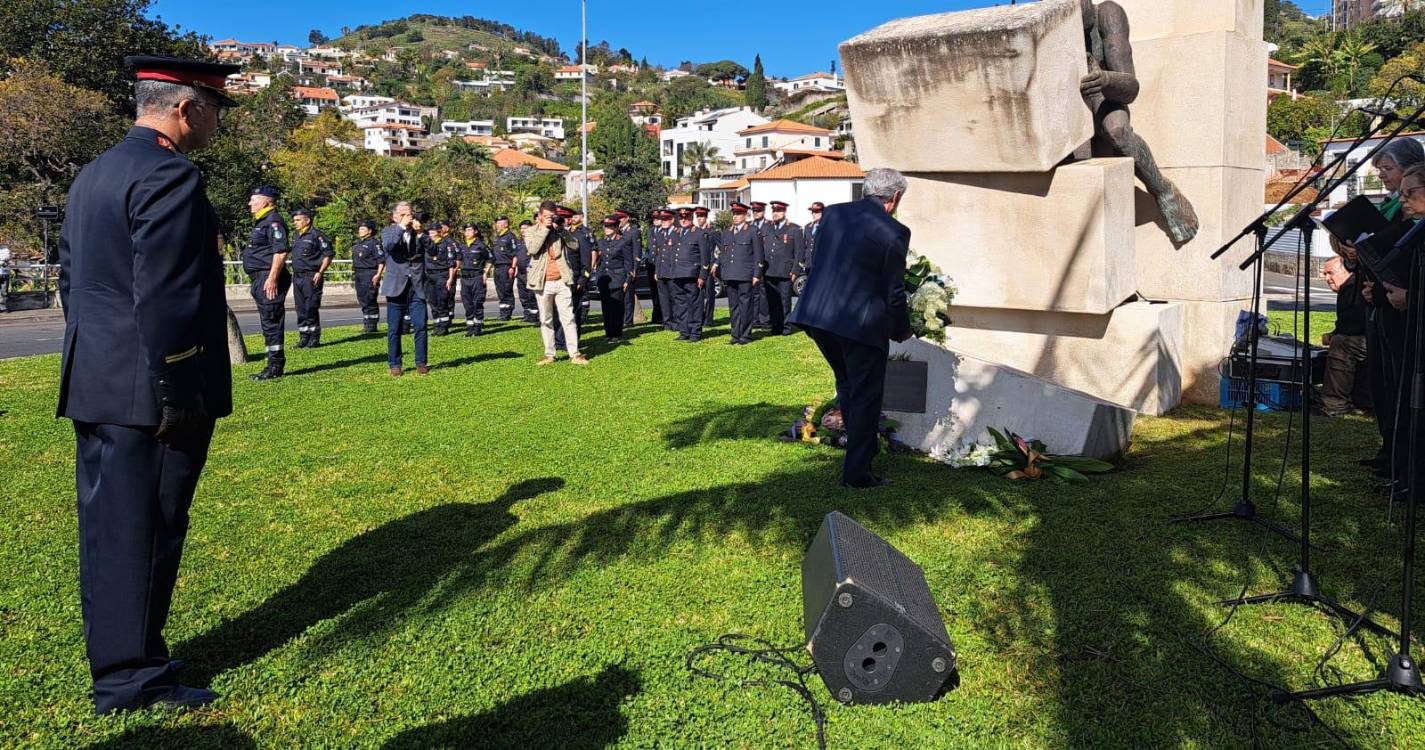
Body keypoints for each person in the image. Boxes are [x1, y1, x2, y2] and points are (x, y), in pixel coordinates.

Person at [57, 55, 238, 714]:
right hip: (153, 391)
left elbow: (72, 282)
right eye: (216, 109)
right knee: (149, 529)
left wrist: (100, 358)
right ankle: (130, 679)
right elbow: (168, 296)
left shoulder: (94, 174)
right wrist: (179, 388)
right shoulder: (169, 177)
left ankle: (125, 659)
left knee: (110, 530)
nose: (218, 123)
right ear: (185, 108)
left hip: (98, 378)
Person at [788, 168, 912, 488]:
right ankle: (858, 473)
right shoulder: (895, 231)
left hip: (819, 316)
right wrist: (901, 329)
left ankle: (861, 446)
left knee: (847, 384)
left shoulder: (833, 215)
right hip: (859, 324)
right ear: (894, 197)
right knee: (866, 395)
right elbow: (894, 291)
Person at [1360, 140, 1422, 484]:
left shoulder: (1413, 224)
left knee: (1406, 392)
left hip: (1407, 317)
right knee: (1385, 385)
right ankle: (1396, 460)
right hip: (1385, 304)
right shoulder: (1400, 214)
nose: (1403, 200)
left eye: (1388, 170)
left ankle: (1409, 471)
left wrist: (1407, 297)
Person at [524, 201, 589, 365]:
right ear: (539, 216)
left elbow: (575, 246)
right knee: (546, 319)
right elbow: (532, 249)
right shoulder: (531, 231)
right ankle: (549, 354)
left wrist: (561, 230)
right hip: (542, 282)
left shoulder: (559, 230)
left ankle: (574, 354)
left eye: (551, 216)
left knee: (568, 318)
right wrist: (545, 229)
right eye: (546, 216)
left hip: (562, 280)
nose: (549, 219)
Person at [241, 185, 290, 380]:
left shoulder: (273, 221)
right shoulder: (262, 222)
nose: (250, 203)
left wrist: (271, 279)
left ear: (266, 201)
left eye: (254, 199)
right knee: (268, 320)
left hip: (267, 278)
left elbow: (281, 251)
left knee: (271, 321)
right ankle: (272, 363)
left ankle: (275, 367)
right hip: (261, 277)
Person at [380, 202, 429, 376]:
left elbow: (433, 249)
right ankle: (395, 364)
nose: (408, 217)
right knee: (394, 328)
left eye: (409, 214)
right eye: (403, 214)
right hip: (396, 286)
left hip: (417, 285)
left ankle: (421, 362)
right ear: (395, 217)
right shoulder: (388, 232)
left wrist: (421, 232)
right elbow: (390, 246)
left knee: (420, 325)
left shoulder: (419, 233)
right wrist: (401, 226)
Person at [1320, 255, 1372, 417]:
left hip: (1372, 338)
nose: (1327, 278)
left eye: (1330, 273)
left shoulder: (1353, 286)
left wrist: (1337, 335)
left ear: (1346, 270)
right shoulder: (1349, 287)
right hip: (1368, 337)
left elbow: (1356, 322)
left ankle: (1334, 404)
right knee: (1340, 340)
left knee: (1341, 344)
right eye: (1324, 274)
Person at [715, 202, 763, 345]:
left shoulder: (753, 231)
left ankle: (745, 335)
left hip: (745, 275)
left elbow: (759, 255)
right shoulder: (727, 232)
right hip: (730, 274)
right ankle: (735, 334)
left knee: (746, 306)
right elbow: (724, 253)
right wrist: (720, 268)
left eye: (739, 214)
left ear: (745, 215)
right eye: (734, 214)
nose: (735, 217)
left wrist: (757, 274)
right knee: (733, 306)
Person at [288, 207, 335, 349]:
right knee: (300, 308)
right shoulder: (296, 235)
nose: (295, 223)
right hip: (297, 277)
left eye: (298, 220)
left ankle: (314, 338)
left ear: (307, 220)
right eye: (294, 220)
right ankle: (303, 337)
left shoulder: (317, 235)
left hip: (311, 276)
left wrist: (320, 272)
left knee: (311, 307)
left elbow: (328, 254)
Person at [760, 200, 804, 335]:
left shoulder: (794, 229)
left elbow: (799, 252)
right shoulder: (767, 228)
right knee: (772, 301)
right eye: (773, 211)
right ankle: (775, 326)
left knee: (784, 301)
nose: (775, 213)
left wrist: (795, 271)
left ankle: (786, 327)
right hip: (769, 270)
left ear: (784, 212)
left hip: (785, 272)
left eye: (778, 211)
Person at [670, 208, 713, 343]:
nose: (683, 220)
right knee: (681, 304)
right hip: (677, 274)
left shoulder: (700, 234)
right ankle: (684, 331)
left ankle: (695, 332)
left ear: (691, 218)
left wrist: (702, 276)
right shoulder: (676, 233)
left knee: (695, 304)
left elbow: (705, 258)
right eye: (681, 218)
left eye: (687, 217)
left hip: (692, 274)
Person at [554, 206, 591, 353]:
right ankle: (559, 341)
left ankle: (570, 341)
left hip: (574, 280)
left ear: (569, 220)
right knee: (556, 312)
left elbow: (586, 262)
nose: (560, 223)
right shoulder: (553, 237)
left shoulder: (580, 237)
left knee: (572, 313)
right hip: (557, 280)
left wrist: (583, 280)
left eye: (562, 220)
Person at [596, 215, 633, 343]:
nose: (607, 228)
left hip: (618, 278)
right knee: (606, 307)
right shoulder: (601, 242)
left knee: (616, 307)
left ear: (616, 227)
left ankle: (617, 333)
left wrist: (627, 280)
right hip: (604, 279)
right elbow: (599, 261)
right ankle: (608, 333)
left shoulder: (623, 241)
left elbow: (628, 263)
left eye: (610, 226)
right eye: (605, 226)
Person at [351, 220, 386, 333]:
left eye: (362, 229)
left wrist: (378, 274)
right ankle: (367, 323)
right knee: (362, 299)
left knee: (370, 299)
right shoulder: (359, 243)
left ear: (370, 231)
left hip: (369, 274)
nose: (360, 231)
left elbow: (381, 260)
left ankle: (372, 325)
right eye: (360, 229)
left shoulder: (375, 243)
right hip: (359, 274)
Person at [425, 219, 458, 336]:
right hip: (430, 276)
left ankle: (443, 327)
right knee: (433, 302)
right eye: (430, 233)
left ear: (439, 232)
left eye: (433, 232)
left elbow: (451, 264)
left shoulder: (446, 245)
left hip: (442, 275)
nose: (431, 235)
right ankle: (436, 326)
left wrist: (450, 278)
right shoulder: (427, 245)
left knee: (442, 302)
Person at [458, 223, 491, 337]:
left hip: (477, 277)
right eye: (466, 230)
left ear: (476, 232)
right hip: (465, 278)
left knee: (477, 303)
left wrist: (486, 273)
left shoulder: (481, 246)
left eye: (470, 230)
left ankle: (478, 328)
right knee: (467, 304)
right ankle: (470, 327)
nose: (467, 232)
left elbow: (490, 259)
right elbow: (458, 261)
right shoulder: (462, 247)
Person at [694, 206, 719, 327]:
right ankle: (699, 318)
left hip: (708, 266)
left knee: (709, 295)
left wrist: (716, 263)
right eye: (698, 216)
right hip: (696, 267)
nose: (699, 219)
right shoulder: (695, 232)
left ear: (706, 217)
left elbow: (724, 249)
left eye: (702, 216)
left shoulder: (712, 232)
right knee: (697, 295)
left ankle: (708, 320)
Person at [491, 216, 518, 320]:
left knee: (506, 289)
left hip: (507, 266)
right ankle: (503, 312)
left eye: (500, 223)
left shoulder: (510, 236)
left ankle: (507, 313)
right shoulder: (497, 237)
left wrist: (513, 267)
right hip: (497, 267)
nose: (497, 225)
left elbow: (515, 254)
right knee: (500, 290)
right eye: (497, 223)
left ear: (506, 224)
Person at [750, 201, 772, 328]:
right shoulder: (749, 225)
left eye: (758, 211)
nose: (756, 213)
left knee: (764, 292)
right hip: (752, 263)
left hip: (766, 263)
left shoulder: (769, 225)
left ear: (763, 211)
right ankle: (754, 318)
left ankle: (764, 319)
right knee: (753, 292)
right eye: (754, 211)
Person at [515, 220, 539, 323]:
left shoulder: (534, 240)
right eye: (521, 228)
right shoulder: (519, 242)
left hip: (531, 271)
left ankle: (535, 316)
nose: (523, 230)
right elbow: (516, 256)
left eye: (525, 228)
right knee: (523, 295)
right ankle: (527, 315)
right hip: (520, 272)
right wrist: (515, 267)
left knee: (532, 295)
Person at [802, 202, 824, 274]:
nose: (814, 214)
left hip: (821, 264)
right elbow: (805, 245)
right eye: (812, 212)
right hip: (809, 264)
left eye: (816, 211)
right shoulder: (808, 227)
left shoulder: (827, 226)